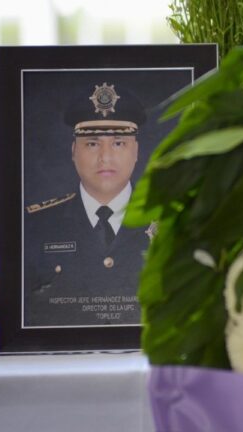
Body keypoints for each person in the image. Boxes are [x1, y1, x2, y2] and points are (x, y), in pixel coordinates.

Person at [23, 82, 152, 327]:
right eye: (92, 144)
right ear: (73, 151)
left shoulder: (169, 220)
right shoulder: (35, 226)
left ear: (136, 151)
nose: (105, 157)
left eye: (118, 143)